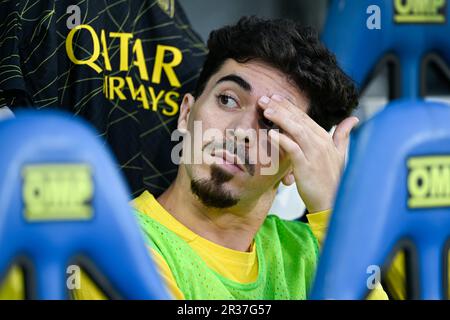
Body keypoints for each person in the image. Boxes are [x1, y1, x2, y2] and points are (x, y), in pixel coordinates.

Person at [124, 16, 387, 299]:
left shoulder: (318, 253)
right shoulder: (121, 244)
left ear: (294, 166)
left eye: (273, 123)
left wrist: (332, 210)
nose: (240, 132)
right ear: (186, 114)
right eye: (227, 99)